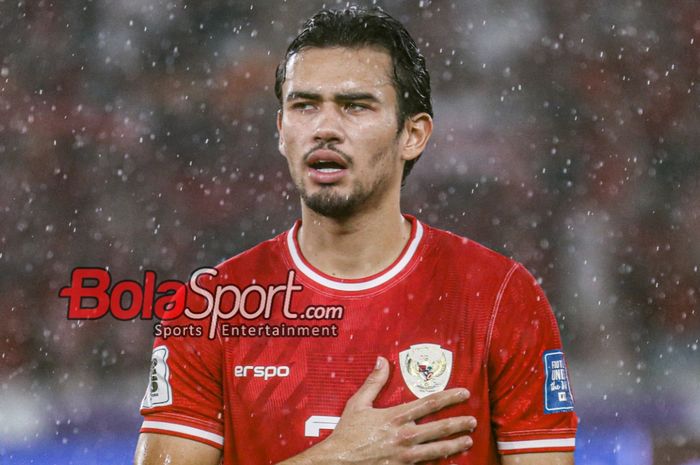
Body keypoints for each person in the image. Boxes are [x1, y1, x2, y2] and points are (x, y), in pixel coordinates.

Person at [134, 6, 577, 465]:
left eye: (355, 106)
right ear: (282, 131)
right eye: (304, 105)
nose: (324, 128)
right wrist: (336, 458)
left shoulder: (501, 296)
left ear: (413, 134)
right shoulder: (210, 306)